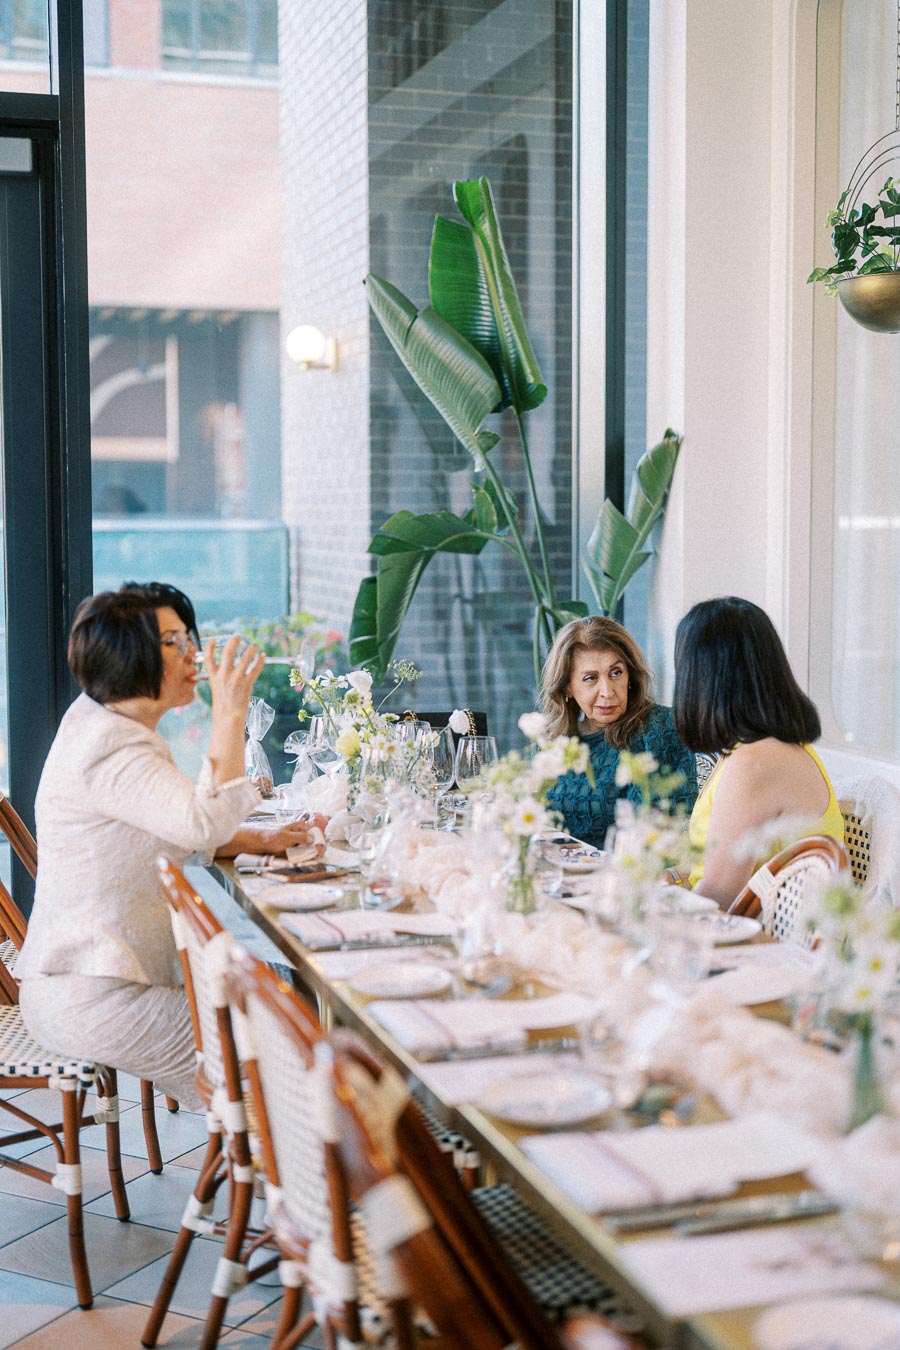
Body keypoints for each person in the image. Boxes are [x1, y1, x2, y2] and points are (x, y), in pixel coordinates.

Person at [15, 590, 320, 1108]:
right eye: (174, 641)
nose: (194, 654)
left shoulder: (100, 721)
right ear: (129, 654)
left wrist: (257, 839)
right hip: (94, 995)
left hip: (91, 983)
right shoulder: (112, 746)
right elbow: (201, 822)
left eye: (188, 637)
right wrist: (230, 711)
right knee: (289, 1053)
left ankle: (275, 1157)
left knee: (288, 1008)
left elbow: (170, 825)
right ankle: (310, 1172)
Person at [672, 596, 844, 907]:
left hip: (761, 945)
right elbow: (712, 862)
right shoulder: (754, 749)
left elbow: (719, 900)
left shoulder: (756, 762)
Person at [542, 616, 697, 849]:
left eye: (616, 673)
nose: (607, 691)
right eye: (590, 678)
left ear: (630, 676)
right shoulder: (555, 741)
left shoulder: (659, 728)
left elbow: (655, 836)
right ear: (567, 687)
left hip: (623, 878)